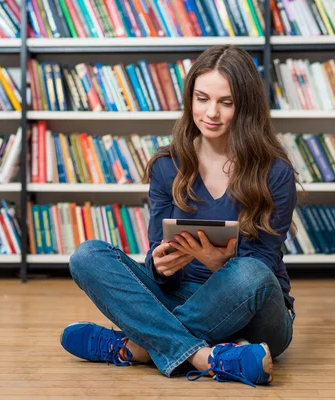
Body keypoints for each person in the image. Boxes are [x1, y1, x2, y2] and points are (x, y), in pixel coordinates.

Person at [60, 45, 297, 386]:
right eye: (202, 99)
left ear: (245, 106)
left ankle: (136, 346)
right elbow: (159, 261)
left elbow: (262, 270)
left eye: (226, 102)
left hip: (256, 311)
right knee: (87, 256)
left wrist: (219, 264)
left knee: (248, 272)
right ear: (190, 100)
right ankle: (211, 357)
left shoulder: (274, 172)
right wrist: (159, 267)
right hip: (182, 296)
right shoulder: (166, 166)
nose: (211, 113)